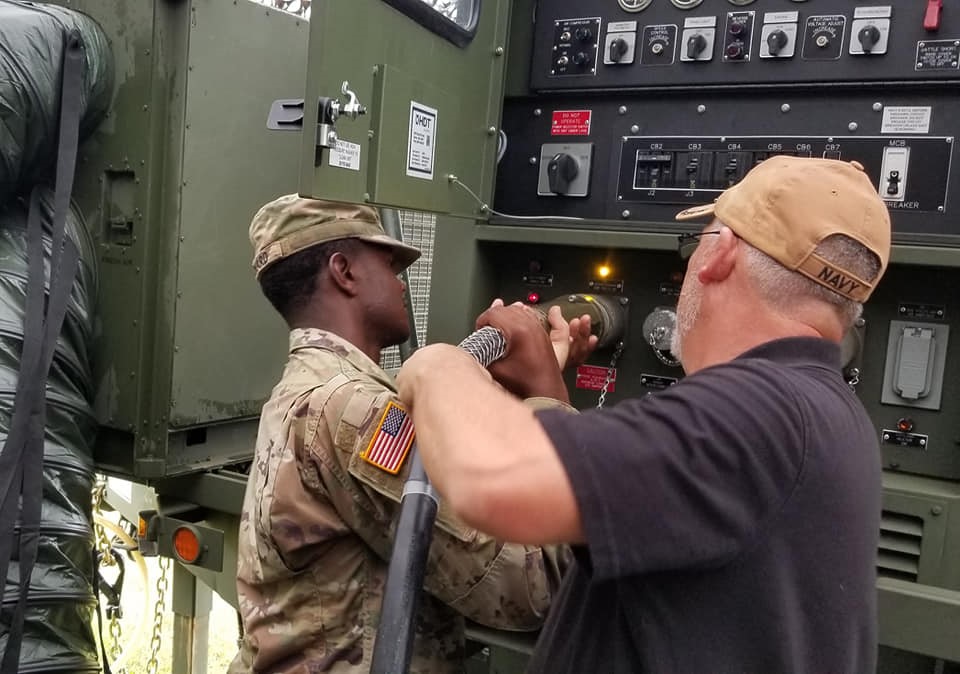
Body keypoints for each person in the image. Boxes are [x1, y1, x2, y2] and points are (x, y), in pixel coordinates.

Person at [396, 156, 891, 674]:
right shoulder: (830, 415)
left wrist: (441, 367)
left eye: (696, 242)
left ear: (721, 253)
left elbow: (494, 480)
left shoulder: (761, 412)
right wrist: (540, 384)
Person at [230, 195, 590, 674]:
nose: (401, 282)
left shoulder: (312, 391)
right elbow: (530, 584)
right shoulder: (351, 411)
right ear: (344, 271)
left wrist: (527, 379)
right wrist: (549, 395)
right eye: (390, 265)